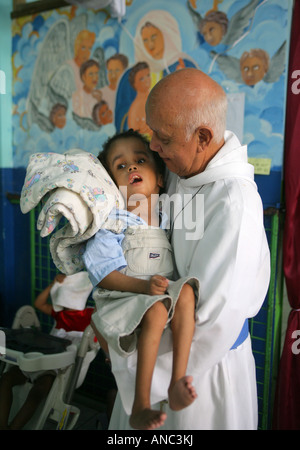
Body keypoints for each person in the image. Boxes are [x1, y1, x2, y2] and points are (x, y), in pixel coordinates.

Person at [107, 68, 271, 430]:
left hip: (201, 372)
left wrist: (128, 356)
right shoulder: (185, 169)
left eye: (162, 137)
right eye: (152, 132)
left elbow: (212, 321)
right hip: (156, 334)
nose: (152, 146)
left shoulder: (233, 204)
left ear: (202, 137)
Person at [83, 129, 199, 430]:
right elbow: (104, 275)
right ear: (112, 187)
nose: (131, 167)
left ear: (159, 178)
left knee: (186, 291)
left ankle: (176, 381)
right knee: (157, 308)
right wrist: (143, 288)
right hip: (124, 297)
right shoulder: (111, 225)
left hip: (154, 292)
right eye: (120, 166)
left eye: (140, 160)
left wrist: (153, 289)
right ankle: (140, 404)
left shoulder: (166, 217)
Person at [0, 272, 94, 430]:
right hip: (40, 358)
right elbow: (39, 303)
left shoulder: (89, 316)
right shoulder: (60, 314)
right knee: (6, 379)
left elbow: (104, 313)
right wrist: (53, 284)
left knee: (38, 392)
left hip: (56, 369)